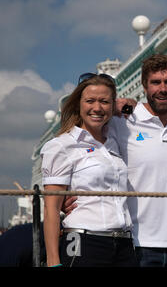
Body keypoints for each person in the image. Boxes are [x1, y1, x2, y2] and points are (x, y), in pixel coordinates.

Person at [107, 55, 167, 267]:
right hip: (136, 243)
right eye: (155, 82)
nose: (162, 89)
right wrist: (112, 105)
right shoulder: (123, 120)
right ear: (144, 85)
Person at [41, 73, 137, 267]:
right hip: (84, 243)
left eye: (104, 101)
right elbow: (51, 208)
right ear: (78, 104)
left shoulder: (113, 142)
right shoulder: (62, 146)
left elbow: (135, 106)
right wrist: (53, 262)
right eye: (90, 101)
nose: (97, 108)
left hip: (124, 244)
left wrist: (124, 104)